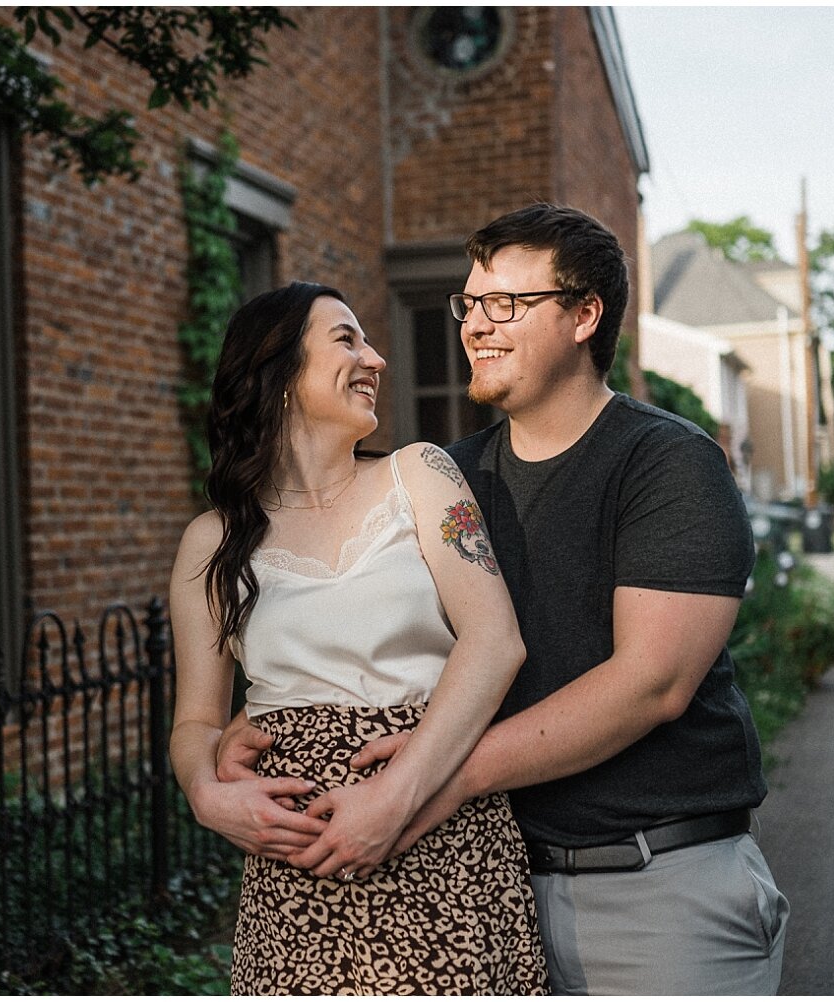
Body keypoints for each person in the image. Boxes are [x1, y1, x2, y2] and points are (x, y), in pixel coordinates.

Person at [219, 205, 789, 994]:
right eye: (468, 304)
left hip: (656, 886)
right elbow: (381, 635)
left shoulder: (666, 463)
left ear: (585, 315)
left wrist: (430, 780)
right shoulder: (447, 478)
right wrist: (270, 721)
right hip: (486, 892)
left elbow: (652, 684)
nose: (475, 326)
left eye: (506, 305)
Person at [167, 282, 548, 994]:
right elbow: (195, 720)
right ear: (275, 372)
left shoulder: (420, 475)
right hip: (295, 868)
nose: (375, 358)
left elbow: (495, 643)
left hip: (437, 836)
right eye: (347, 339)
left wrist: (394, 799)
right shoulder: (210, 545)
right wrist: (204, 793)